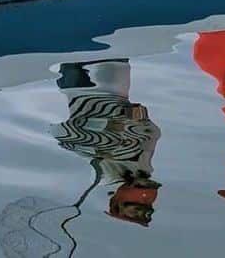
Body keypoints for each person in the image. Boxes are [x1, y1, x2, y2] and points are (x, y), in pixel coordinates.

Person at [51, 60, 163, 228]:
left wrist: (102, 128)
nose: (146, 182)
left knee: (70, 58)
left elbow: (59, 133)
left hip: (78, 92)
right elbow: (151, 132)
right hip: (114, 92)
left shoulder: (100, 172)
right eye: (150, 184)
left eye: (139, 186)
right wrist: (134, 119)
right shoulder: (144, 168)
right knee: (116, 55)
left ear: (117, 200)